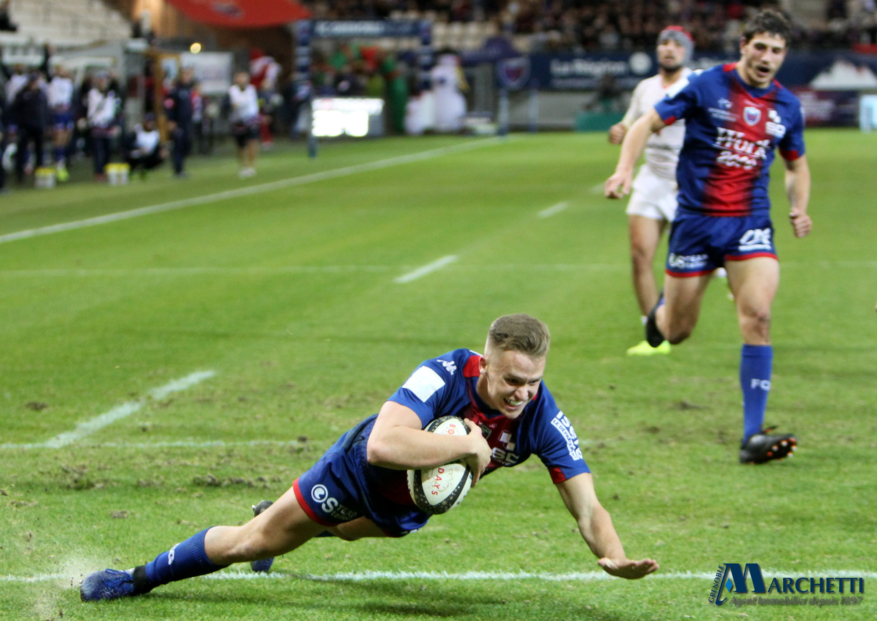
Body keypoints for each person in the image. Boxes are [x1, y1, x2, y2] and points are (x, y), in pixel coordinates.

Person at [80, 314, 659, 602]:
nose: (522, 393)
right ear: (486, 365)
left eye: (534, 382)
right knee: (252, 543)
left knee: (349, 535)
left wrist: (614, 555)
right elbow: (385, 444)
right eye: (512, 380)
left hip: (408, 505)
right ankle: (134, 580)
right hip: (357, 471)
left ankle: (285, 516)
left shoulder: (543, 418)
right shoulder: (444, 373)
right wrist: (467, 444)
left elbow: (587, 506)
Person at [605, 10, 811, 465]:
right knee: (677, 333)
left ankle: (752, 435)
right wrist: (624, 169)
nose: (767, 57)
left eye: (777, 50)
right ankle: (657, 319)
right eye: (760, 46)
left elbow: (796, 165)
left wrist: (798, 205)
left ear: (784, 56)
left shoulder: (787, 107)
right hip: (695, 224)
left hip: (749, 224)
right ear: (743, 45)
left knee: (757, 316)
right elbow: (644, 124)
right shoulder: (705, 85)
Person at [608, 26, 695, 356]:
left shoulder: (696, 83)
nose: (669, 49)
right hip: (651, 179)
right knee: (639, 255)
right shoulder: (645, 88)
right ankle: (653, 333)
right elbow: (631, 124)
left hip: (687, 183)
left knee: (687, 261)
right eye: (663, 43)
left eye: (676, 44)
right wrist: (619, 130)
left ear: (686, 51)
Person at [10, 72, 47, 184]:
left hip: (38, 126)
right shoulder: (22, 94)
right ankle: (19, 176)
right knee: (22, 150)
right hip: (25, 127)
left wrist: (46, 124)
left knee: (39, 151)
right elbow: (14, 110)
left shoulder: (40, 94)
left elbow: (45, 110)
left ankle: (39, 175)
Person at [87, 72, 120, 182]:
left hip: (108, 125)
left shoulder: (111, 94)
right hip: (97, 125)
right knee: (98, 151)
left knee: (108, 151)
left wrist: (116, 125)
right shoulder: (92, 94)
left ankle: (106, 171)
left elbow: (116, 110)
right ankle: (98, 173)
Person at [165, 67, 196, 178]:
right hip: (178, 122)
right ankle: (178, 170)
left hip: (187, 122)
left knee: (186, 145)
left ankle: (182, 168)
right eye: (184, 74)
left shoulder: (189, 89)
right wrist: (171, 120)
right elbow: (169, 106)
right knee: (178, 145)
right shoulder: (175, 90)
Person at [227, 71, 260, 178]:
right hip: (238, 120)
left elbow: (252, 104)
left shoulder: (251, 89)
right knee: (240, 144)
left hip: (250, 119)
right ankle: (243, 165)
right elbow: (234, 104)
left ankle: (251, 166)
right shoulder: (233, 90)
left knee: (252, 141)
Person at [46, 63, 75, 182]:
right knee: (58, 137)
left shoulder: (68, 83)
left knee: (66, 138)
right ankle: (58, 163)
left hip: (67, 112)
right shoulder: (53, 82)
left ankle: (61, 160)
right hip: (57, 112)